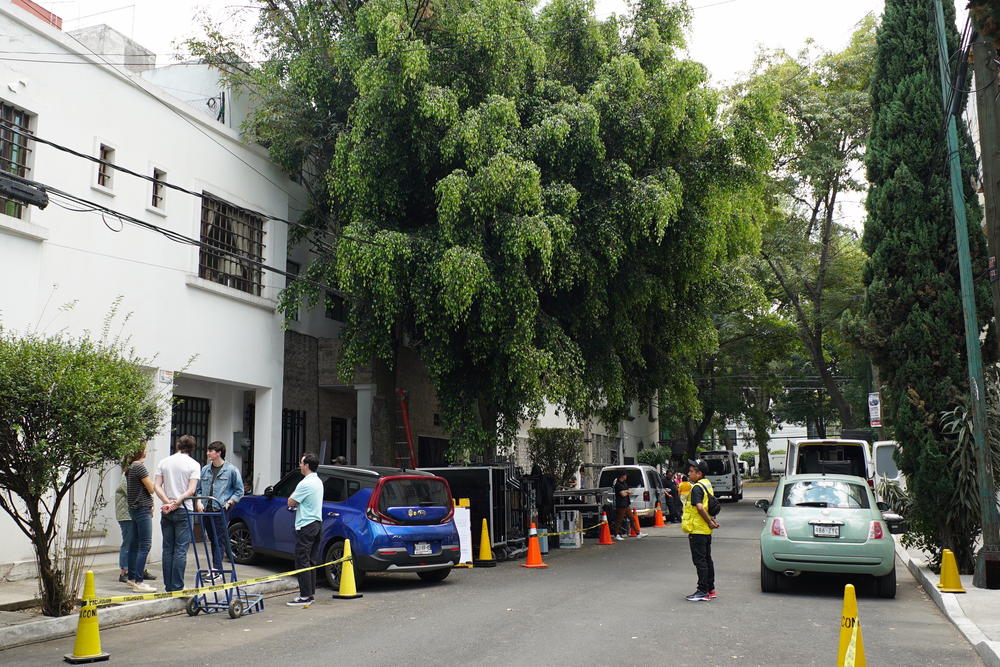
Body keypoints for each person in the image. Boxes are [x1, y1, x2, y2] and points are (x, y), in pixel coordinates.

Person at [155, 435, 201, 592]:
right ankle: (177, 586)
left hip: (166, 509)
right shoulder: (194, 464)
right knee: (180, 550)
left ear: (178, 445)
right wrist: (178, 501)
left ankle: (168, 586)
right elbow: (191, 490)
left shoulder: (164, 462)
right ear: (192, 448)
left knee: (168, 548)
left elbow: (157, 486)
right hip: (184, 510)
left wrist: (168, 502)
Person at [195, 441, 245, 575]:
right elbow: (198, 489)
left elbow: (239, 491)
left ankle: (217, 570)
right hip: (206, 509)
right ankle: (217, 567)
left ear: (219, 453)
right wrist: (199, 502)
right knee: (212, 539)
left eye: (210, 451)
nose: (207, 453)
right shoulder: (205, 469)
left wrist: (229, 502)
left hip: (221, 509)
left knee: (219, 539)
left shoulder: (231, 470)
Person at [287, 452, 323, 606]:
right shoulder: (318, 481)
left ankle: (305, 596)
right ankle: (310, 593)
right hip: (316, 523)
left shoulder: (305, 483)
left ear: (307, 465)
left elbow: (290, 502)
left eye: (301, 463)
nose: (300, 466)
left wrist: (293, 498)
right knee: (310, 560)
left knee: (302, 560)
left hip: (306, 525)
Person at [681, 458, 719, 602]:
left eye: (691, 471)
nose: (689, 473)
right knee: (707, 560)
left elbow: (700, 507)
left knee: (700, 561)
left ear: (699, 473)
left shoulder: (697, 488)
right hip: (705, 531)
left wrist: (709, 521)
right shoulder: (707, 485)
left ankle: (702, 591)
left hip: (697, 529)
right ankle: (711, 589)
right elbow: (708, 505)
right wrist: (712, 522)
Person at [125, 446, 157, 593]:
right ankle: (139, 581)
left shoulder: (130, 467)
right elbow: (151, 489)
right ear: (141, 451)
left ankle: (131, 578)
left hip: (133, 508)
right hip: (142, 508)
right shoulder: (140, 467)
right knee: (145, 545)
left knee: (134, 544)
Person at [611, 471, 645, 540]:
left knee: (632, 518)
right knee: (619, 520)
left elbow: (627, 491)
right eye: (625, 475)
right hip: (621, 505)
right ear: (622, 476)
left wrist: (626, 491)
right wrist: (627, 492)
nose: (626, 476)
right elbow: (622, 494)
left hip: (626, 504)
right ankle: (616, 535)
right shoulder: (618, 484)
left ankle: (638, 533)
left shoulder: (624, 483)